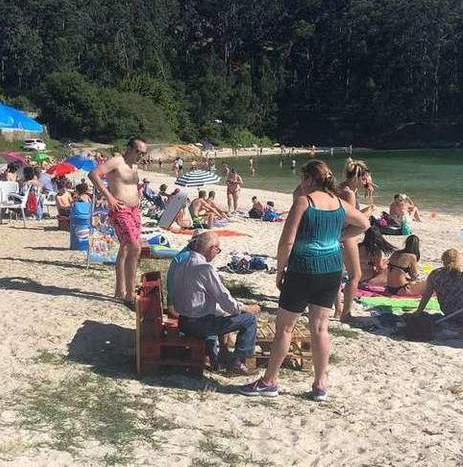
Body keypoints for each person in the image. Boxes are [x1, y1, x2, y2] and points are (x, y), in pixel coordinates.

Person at [241, 160, 368, 400]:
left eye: (302, 179)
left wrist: (280, 270)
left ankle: (269, 381)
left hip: (303, 268)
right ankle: (320, 384)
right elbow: (364, 223)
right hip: (331, 269)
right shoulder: (339, 203)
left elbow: (287, 241)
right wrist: (337, 237)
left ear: (309, 179)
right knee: (320, 327)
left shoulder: (304, 202)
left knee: (285, 328)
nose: (300, 183)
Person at [168, 231, 261, 374]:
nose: (217, 254)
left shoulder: (182, 262)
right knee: (249, 320)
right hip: (200, 324)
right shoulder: (204, 268)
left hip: (184, 321)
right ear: (212, 248)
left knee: (219, 315)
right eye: (218, 250)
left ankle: (218, 358)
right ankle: (238, 362)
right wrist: (245, 308)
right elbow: (225, 300)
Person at [89, 137, 148, 303]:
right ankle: (130, 295)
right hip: (120, 210)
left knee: (125, 248)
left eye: (143, 153)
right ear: (128, 148)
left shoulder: (134, 166)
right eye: (137, 151)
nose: (140, 156)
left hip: (134, 211)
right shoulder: (117, 161)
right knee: (135, 248)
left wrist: (138, 196)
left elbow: (130, 186)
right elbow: (93, 174)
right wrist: (109, 197)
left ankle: (119, 290)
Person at [336, 158, 374, 321]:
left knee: (337, 275)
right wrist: (366, 215)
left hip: (337, 233)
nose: (367, 181)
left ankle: (338, 309)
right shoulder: (349, 193)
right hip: (345, 236)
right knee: (355, 275)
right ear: (359, 177)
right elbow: (349, 218)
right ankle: (346, 313)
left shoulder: (341, 188)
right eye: (365, 178)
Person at [415, 248, 463, 323]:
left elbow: (427, 295)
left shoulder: (435, 274)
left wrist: (418, 312)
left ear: (443, 261)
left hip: (447, 311)